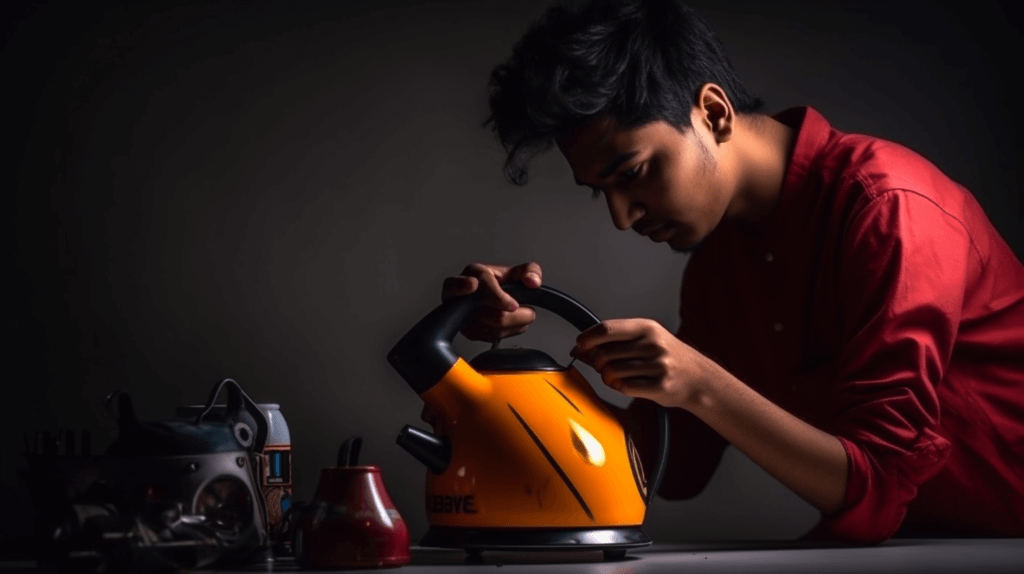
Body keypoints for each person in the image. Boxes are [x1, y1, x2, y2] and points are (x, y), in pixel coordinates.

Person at [440, 0, 1024, 544]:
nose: (623, 217)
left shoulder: (889, 209)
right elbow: (670, 467)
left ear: (713, 113)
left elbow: (878, 489)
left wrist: (700, 383)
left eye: (634, 171)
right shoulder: (720, 264)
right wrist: (493, 384)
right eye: (602, 193)